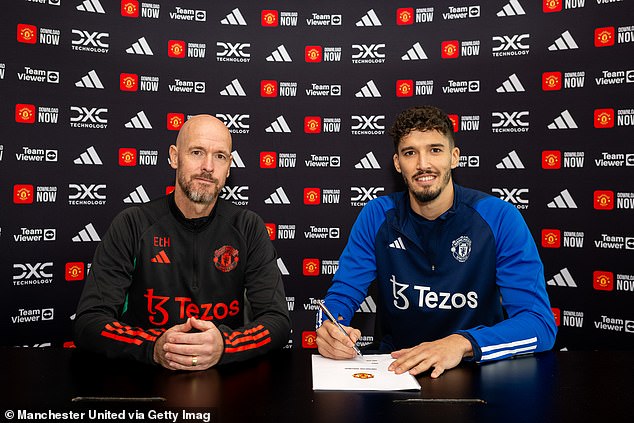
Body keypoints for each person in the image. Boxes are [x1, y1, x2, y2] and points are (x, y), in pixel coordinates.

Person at [316, 106, 556, 378]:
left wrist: (461, 343)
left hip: (475, 367)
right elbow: (341, 297)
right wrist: (330, 329)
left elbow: (539, 325)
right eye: (410, 153)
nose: (423, 165)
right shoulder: (377, 215)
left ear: (454, 157)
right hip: (397, 369)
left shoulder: (499, 217)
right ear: (397, 163)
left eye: (435, 150)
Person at [74, 115, 290, 371]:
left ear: (229, 167)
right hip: (145, 381)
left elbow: (277, 321)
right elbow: (89, 322)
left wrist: (225, 345)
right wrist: (155, 346)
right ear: (175, 157)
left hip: (224, 381)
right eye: (197, 152)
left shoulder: (248, 227)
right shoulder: (133, 224)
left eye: (220, 156)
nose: (208, 166)